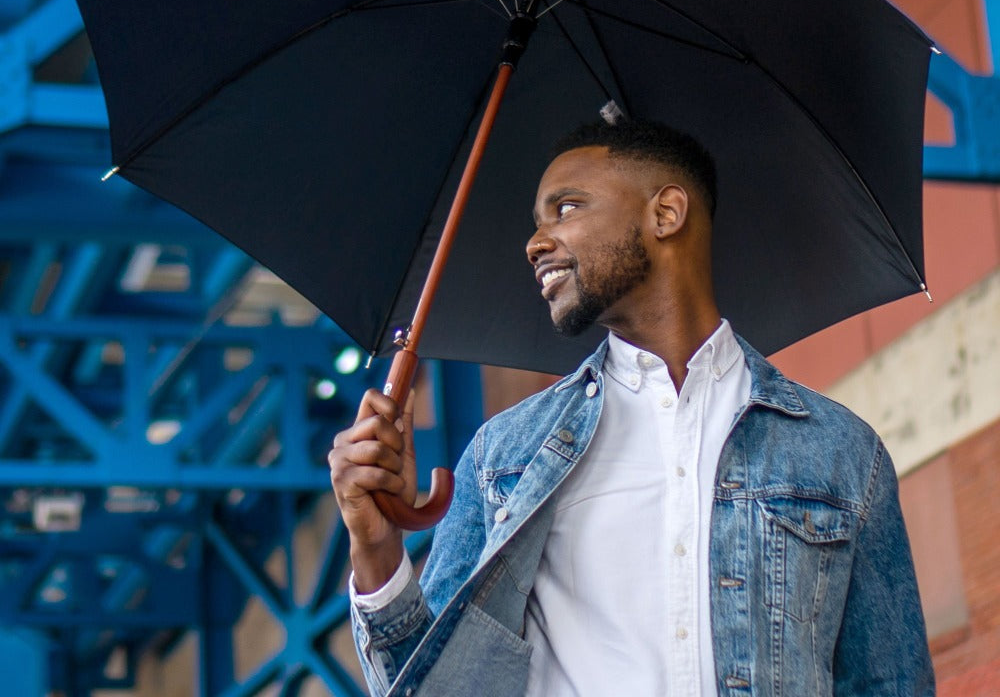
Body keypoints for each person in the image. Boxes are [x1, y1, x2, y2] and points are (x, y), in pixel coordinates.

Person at [329, 118, 934, 697]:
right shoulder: (505, 455)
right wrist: (377, 551)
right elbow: (433, 687)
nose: (536, 243)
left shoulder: (842, 452)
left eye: (566, 208)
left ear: (665, 213)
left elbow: (890, 684)